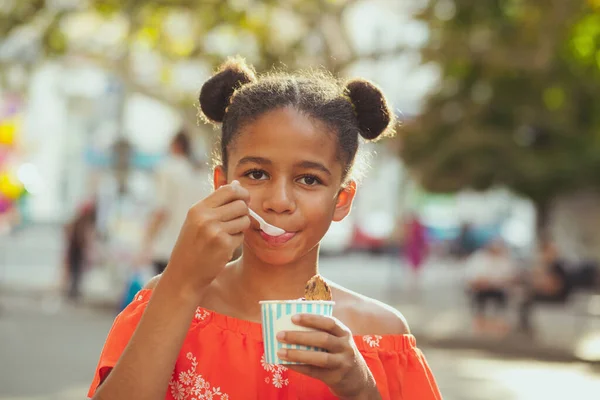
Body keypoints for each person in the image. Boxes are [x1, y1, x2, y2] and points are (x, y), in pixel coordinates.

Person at [88, 58, 441, 400]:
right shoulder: (167, 300)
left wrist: (361, 388)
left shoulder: (383, 335)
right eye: (257, 174)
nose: (279, 200)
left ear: (343, 199)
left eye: (309, 179)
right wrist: (180, 281)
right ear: (221, 184)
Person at [141, 129, 211, 275]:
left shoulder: (168, 168)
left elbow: (161, 210)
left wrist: (146, 243)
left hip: (166, 250)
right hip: (195, 252)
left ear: (175, 146)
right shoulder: (202, 175)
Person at [518, 239, 572, 334]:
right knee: (525, 298)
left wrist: (539, 286)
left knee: (527, 300)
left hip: (559, 297)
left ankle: (527, 328)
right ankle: (527, 326)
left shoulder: (558, 266)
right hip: (551, 293)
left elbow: (554, 286)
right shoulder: (548, 266)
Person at [464, 239, 516, 335]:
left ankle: (499, 323)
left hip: (499, 289)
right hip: (480, 289)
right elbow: (470, 277)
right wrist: (481, 282)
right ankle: (480, 323)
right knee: (479, 297)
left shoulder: (504, 260)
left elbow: (511, 278)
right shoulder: (478, 259)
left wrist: (497, 282)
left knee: (503, 298)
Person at [64, 201, 97, 301]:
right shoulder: (80, 223)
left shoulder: (78, 222)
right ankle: (73, 292)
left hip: (75, 250)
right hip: (76, 251)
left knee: (76, 272)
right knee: (75, 272)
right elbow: (83, 238)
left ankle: (73, 291)